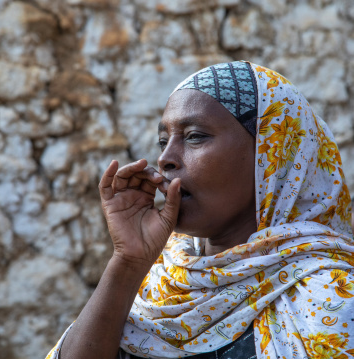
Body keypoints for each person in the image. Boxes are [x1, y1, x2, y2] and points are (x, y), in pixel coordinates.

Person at [46, 61, 354, 359]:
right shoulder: (153, 287)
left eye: (194, 136)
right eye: (163, 140)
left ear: (271, 155)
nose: (166, 158)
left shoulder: (333, 298)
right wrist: (127, 262)